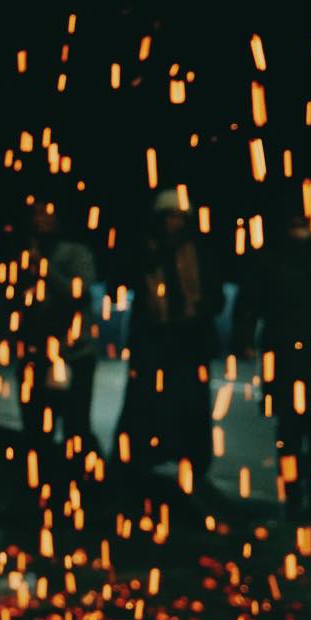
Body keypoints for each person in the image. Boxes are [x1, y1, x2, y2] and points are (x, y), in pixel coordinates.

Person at [233, 209, 311, 518]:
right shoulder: (269, 258)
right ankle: (293, 496)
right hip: (286, 348)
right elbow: (248, 302)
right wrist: (244, 340)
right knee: (290, 429)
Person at [113, 190, 225, 487]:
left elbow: (215, 293)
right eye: (168, 216)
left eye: (178, 217)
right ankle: (135, 465)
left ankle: (193, 469)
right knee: (143, 404)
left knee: (190, 407)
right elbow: (121, 281)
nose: (173, 223)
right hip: (152, 339)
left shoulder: (199, 251)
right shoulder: (145, 248)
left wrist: (197, 310)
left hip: (190, 342)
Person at [13, 201, 101, 456]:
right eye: (36, 213)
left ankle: (84, 484)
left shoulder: (76, 252)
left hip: (73, 354)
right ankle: (39, 481)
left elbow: (78, 292)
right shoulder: (26, 251)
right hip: (35, 353)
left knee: (76, 427)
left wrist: (43, 268)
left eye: (46, 213)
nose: (40, 219)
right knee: (35, 428)